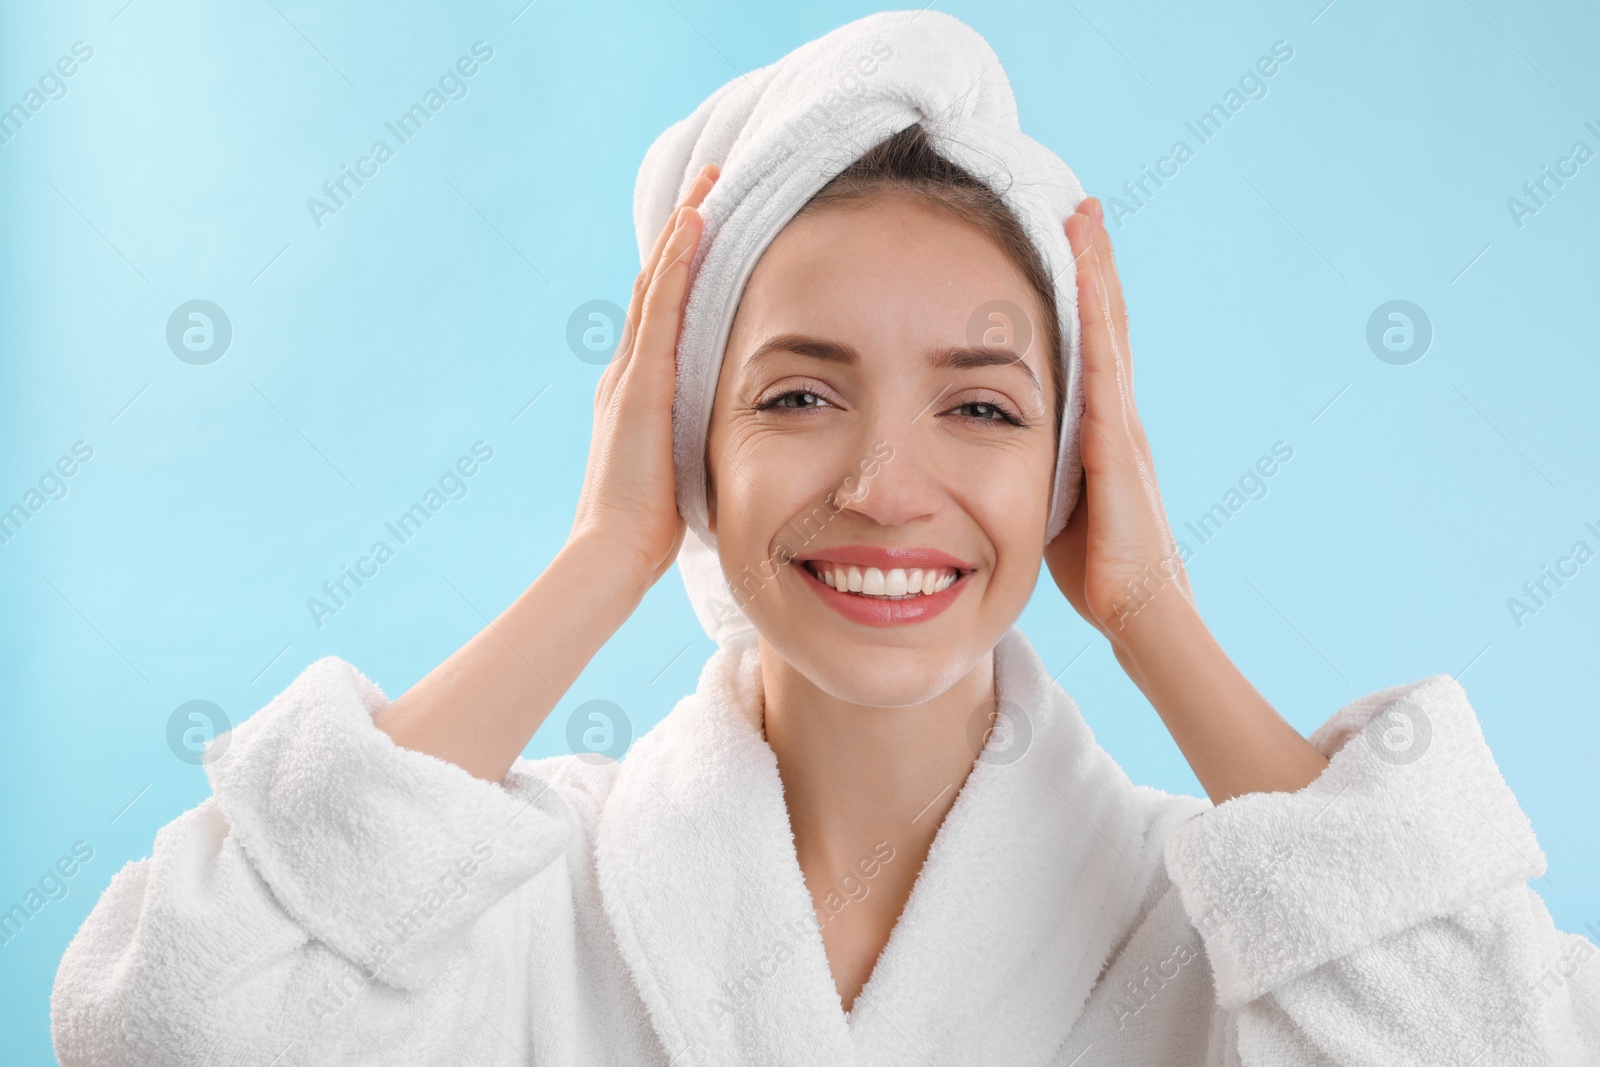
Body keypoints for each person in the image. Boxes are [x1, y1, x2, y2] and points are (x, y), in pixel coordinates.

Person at [52, 16, 1600, 1067]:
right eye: (798, 393)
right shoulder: (512, 900)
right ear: (685, 441)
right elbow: (167, 1025)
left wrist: (1148, 607)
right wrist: (606, 553)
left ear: (1073, 463)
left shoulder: (1226, 930)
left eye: (984, 411)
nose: (884, 484)